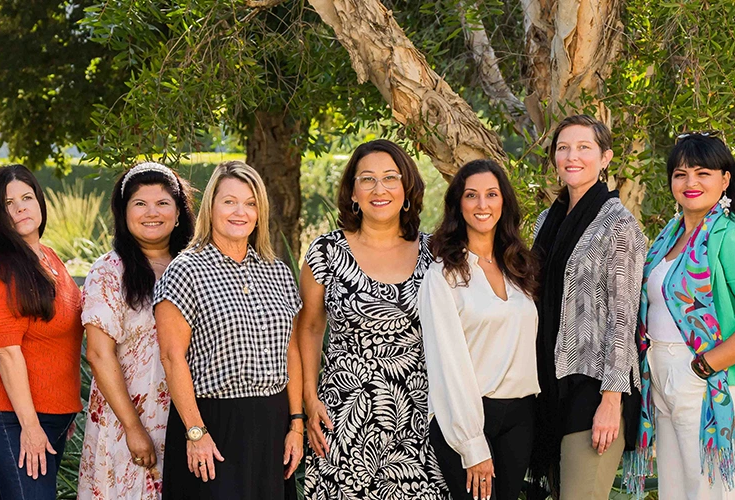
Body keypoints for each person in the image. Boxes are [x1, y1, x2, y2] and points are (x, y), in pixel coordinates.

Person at [630, 132, 735, 500]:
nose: (690, 182)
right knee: (674, 490)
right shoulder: (667, 237)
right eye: (680, 174)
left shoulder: (734, 237)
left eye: (702, 173)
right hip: (660, 375)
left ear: (725, 179)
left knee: (709, 492)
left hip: (709, 376)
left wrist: (703, 367)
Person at [297, 140, 449, 499]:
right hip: (344, 420)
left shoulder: (436, 254)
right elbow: (309, 328)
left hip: (420, 421)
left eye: (390, 178)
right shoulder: (326, 252)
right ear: (352, 191)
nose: (379, 189)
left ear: (407, 188)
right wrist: (309, 400)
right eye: (367, 179)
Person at [155, 161, 304, 500]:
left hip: (272, 422)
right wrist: (196, 433)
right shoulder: (186, 270)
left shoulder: (277, 271)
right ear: (211, 207)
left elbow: (290, 352)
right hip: (213, 424)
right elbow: (171, 356)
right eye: (230, 201)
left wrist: (296, 424)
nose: (241, 212)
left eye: (250, 203)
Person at [529, 114, 646, 500]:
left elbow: (623, 317)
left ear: (605, 157)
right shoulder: (548, 219)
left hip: (594, 388)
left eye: (584, 148)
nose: (571, 156)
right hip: (549, 386)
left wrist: (611, 401)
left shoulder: (618, 224)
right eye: (563, 148)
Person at [421, 159, 544, 500]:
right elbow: (448, 363)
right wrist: (472, 444)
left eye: (491, 194)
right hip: (469, 417)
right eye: (471, 195)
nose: (482, 204)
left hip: (520, 415)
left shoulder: (519, 268)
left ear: (503, 201)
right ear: (458, 205)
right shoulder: (443, 275)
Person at [78, 162, 194, 499]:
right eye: (140, 204)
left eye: (162, 203)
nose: (151, 213)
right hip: (128, 418)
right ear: (124, 212)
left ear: (178, 212)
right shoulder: (109, 271)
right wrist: (133, 428)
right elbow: (99, 355)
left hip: (189, 419)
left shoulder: (195, 266)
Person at [0, 165, 85, 499]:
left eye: (27, 197)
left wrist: (63, 405)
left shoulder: (49, 257)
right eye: (8, 203)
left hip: (52, 416)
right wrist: (31, 425)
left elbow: (60, 340)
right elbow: (6, 352)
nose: (20, 207)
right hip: (10, 417)